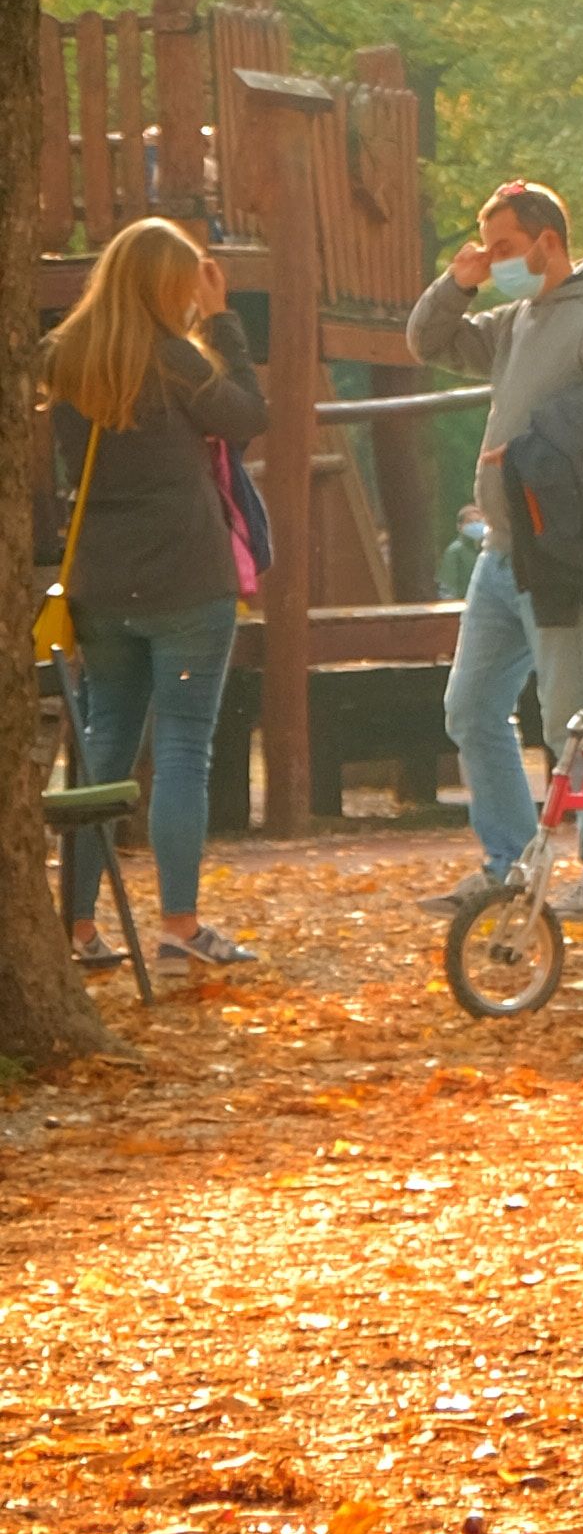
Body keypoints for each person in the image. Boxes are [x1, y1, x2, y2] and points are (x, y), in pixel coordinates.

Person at [412, 180, 583, 934]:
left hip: (559, 551)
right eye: (486, 249)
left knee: (575, 722)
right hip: (500, 552)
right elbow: (427, 343)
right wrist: (456, 282)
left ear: (546, 241)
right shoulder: (514, 317)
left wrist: (537, 453)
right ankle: (505, 866)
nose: (495, 262)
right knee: (471, 709)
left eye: (504, 249)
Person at [43, 218, 265, 979]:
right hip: (185, 581)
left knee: (101, 749)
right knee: (180, 750)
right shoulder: (175, 359)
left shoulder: (66, 358)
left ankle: (76, 927)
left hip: (102, 583)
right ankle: (179, 924)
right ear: (168, 287)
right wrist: (223, 320)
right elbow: (247, 418)